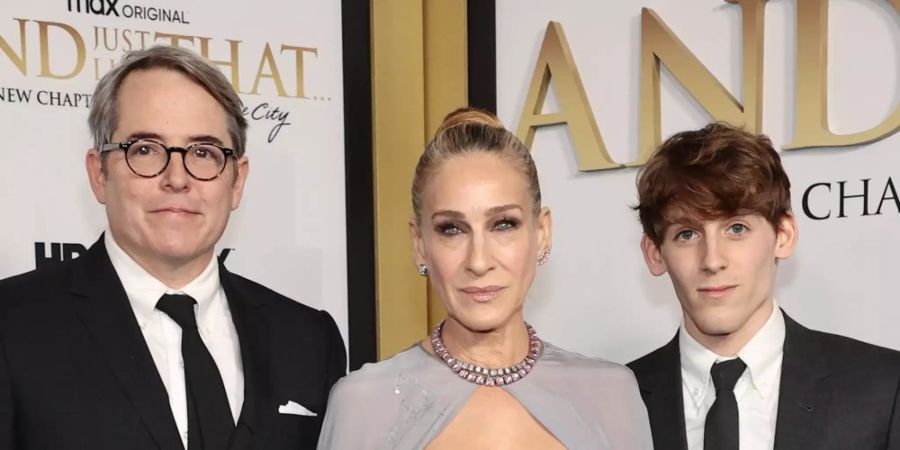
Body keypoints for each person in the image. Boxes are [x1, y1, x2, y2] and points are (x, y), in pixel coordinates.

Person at [0, 46, 346, 450]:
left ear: (237, 182)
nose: (177, 178)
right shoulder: (12, 326)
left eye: (203, 152)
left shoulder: (308, 339)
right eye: (145, 149)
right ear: (99, 173)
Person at [317, 108, 653, 449]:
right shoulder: (363, 404)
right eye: (452, 229)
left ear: (542, 233)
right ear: (419, 245)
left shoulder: (612, 395)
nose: (478, 261)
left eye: (503, 224)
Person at [627, 122, 900, 450]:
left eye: (737, 228)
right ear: (655, 253)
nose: (712, 260)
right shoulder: (616, 400)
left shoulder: (883, 387)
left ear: (783, 236)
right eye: (687, 234)